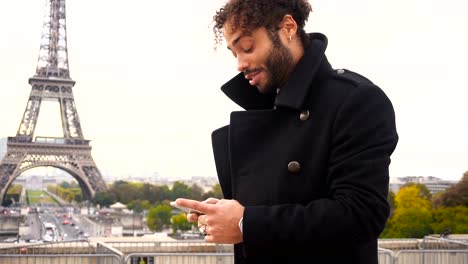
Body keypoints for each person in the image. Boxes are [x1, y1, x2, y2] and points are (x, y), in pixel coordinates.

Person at [175, 0, 398, 263]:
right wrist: (228, 214)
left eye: (247, 47)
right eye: (234, 53)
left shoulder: (355, 100)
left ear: (288, 27)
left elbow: (361, 214)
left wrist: (247, 223)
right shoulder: (271, 106)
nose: (240, 63)